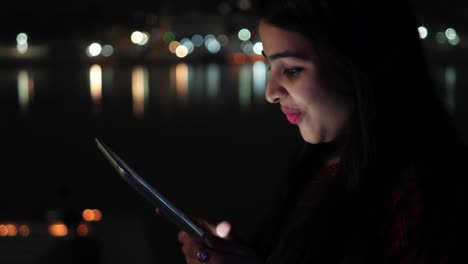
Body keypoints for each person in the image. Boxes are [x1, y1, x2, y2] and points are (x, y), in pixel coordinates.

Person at [173, 0, 468, 263]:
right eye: (270, 65)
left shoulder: (422, 192)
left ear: (357, 65)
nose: (270, 92)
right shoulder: (326, 161)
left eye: (292, 70)